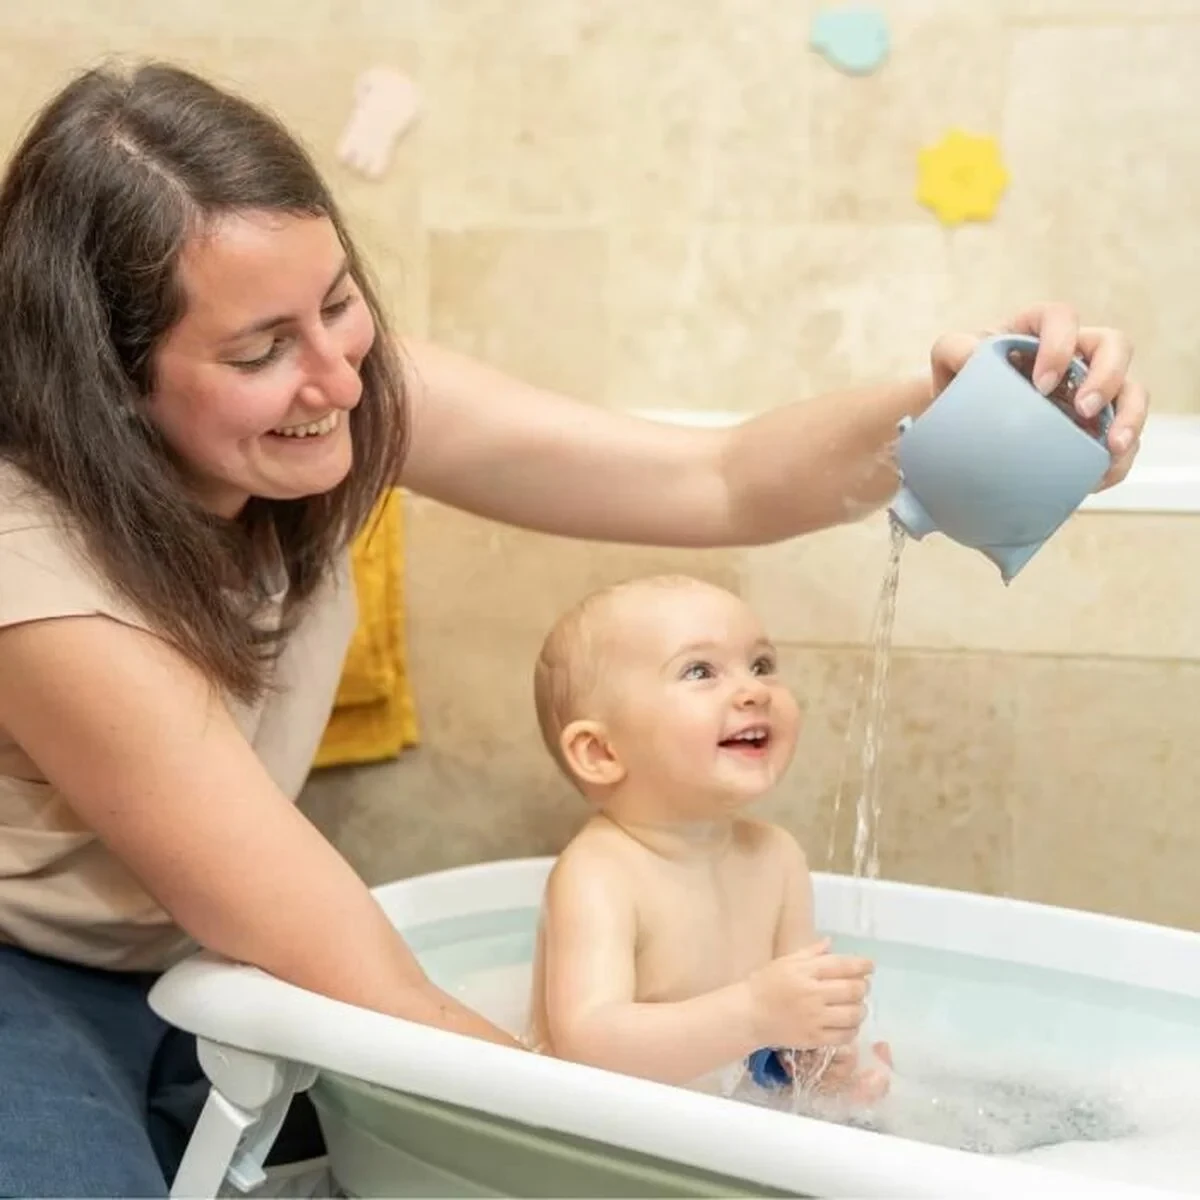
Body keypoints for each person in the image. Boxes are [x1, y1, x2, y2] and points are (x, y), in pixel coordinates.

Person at [0, 57, 1147, 1199]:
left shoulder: (351, 389)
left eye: (340, 302)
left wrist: (951, 408)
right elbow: (363, 975)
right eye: (260, 353)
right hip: (30, 979)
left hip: (195, 961)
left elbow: (717, 480)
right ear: (107, 386)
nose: (340, 381)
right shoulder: (38, 574)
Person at [527, 574, 891, 1109]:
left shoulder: (777, 856)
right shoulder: (599, 873)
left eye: (762, 664)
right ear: (601, 752)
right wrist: (752, 1012)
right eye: (699, 671)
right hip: (597, 1127)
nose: (754, 690)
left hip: (718, 1122)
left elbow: (785, 1026)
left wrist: (820, 1061)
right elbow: (587, 1044)